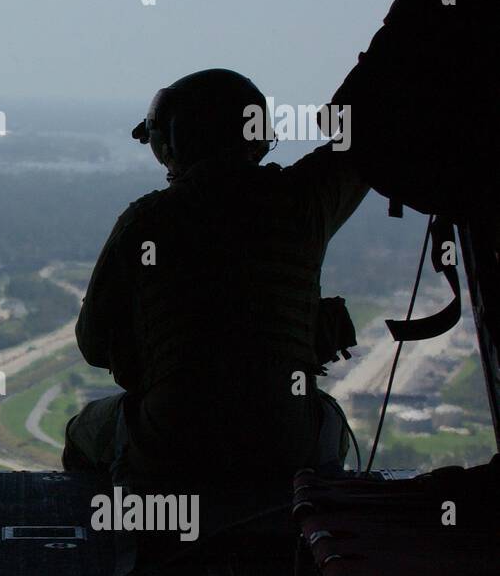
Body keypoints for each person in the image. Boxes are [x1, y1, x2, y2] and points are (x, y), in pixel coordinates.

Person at [64, 69, 367, 492]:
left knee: (82, 430)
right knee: (331, 421)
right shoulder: (305, 201)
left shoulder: (146, 221)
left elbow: (93, 344)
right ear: (258, 137)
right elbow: (364, 142)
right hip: (287, 446)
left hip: (169, 447)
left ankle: (122, 540)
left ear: (174, 141)